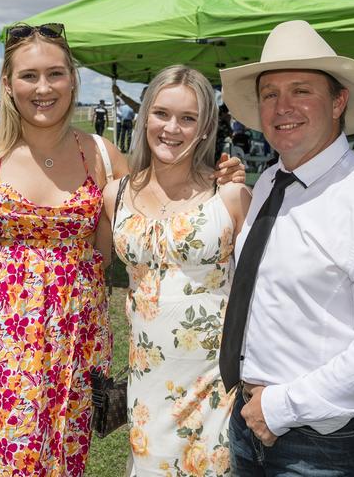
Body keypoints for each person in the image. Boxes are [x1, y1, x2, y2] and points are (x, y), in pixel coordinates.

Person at [0, 23, 244, 476]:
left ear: (73, 80)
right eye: (29, 75)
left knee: (66, 461)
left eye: (56, 74)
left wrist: (221, 183)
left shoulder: (104, 156)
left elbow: (139, 229)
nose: (43, 87)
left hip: (77, 341)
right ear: (7, 84)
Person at [218, 20, 354, 475]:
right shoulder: (268, 181)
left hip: (321, 443)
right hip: (247, 423)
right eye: (269, 94)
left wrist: (279, 407)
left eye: (301, 90)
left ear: (339, 100)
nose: (283, 107)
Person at [103, 65, 250, 476]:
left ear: (205, 129)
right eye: (162, 114)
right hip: (146, 383)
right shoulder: (115, 195)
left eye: (188, 119)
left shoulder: (232, 196)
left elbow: (263, 292)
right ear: (145, 115)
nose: (172, 128)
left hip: (213, 387)